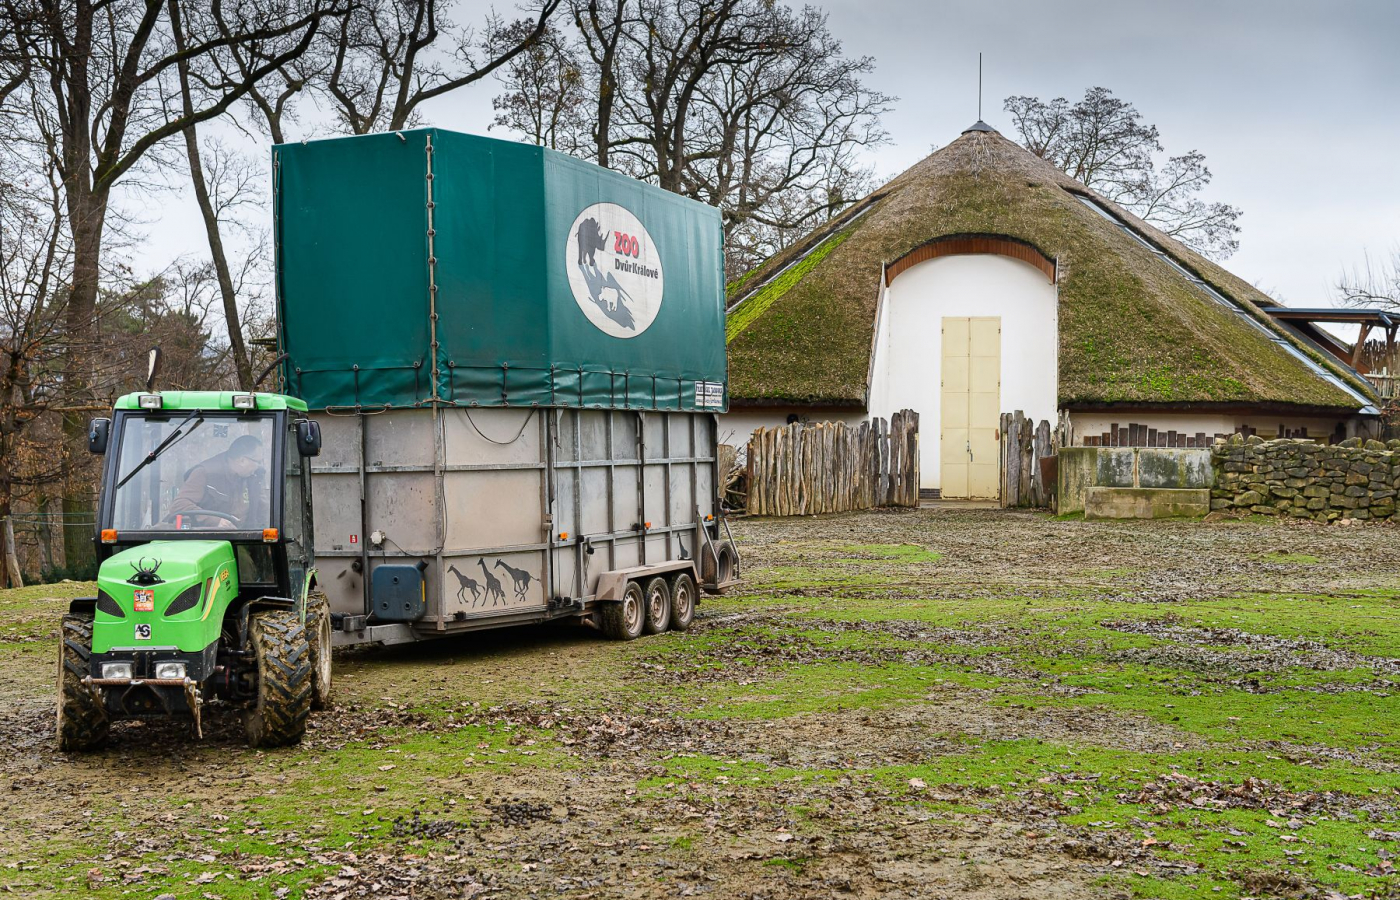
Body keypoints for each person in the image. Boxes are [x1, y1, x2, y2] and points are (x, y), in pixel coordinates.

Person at [168, 434, 263, 528]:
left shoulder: (254, 477)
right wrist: (214, 521)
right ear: (242, 460)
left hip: (246, 538)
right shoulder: (205, 473)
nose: (259, 466)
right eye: (258, 462)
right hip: (208, 539)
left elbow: (263, 510)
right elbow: (179, 504)